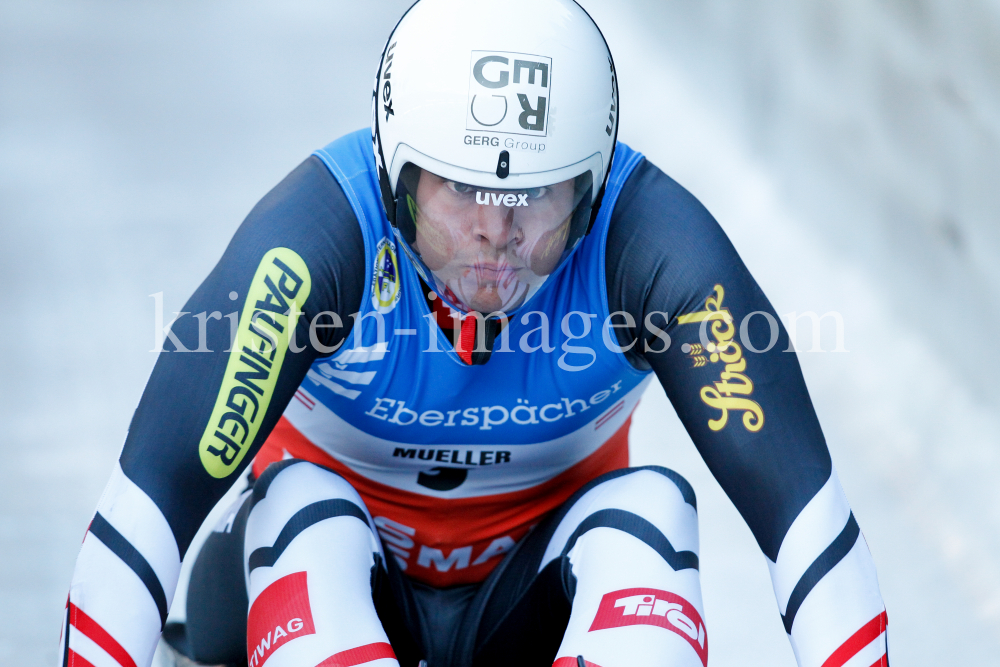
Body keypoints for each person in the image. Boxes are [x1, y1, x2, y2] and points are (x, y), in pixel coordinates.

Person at [58, 1, 889, 666]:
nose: (497, 232)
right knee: (307, 509)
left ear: (592, 186)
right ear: (396, 174)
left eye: (536, 194)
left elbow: (807, 521)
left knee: (653, 511)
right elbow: (147, 506)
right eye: (461, 186)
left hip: (526, 602)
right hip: (300, 576)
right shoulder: (314, 244)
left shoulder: (657, 250)